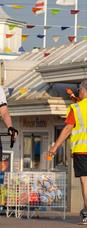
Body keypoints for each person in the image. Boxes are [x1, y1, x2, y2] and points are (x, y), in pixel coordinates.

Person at [48, 80, 87, 225]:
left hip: (82, 151)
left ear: (84, 91)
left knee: (85, 181)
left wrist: (55, 147)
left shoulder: (76, 108)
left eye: (80, 90)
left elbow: (67, 129)